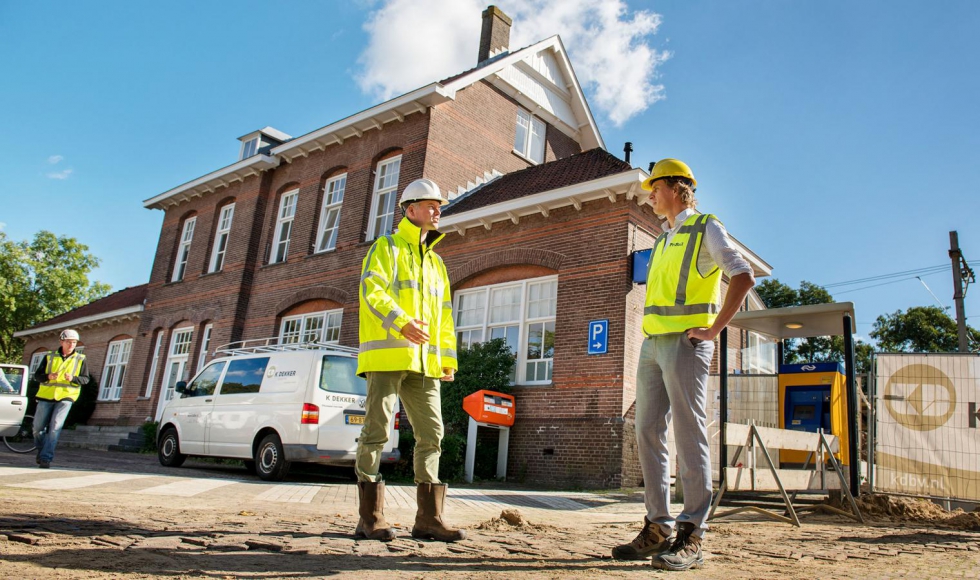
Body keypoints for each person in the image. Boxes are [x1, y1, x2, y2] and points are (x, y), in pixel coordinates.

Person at [613, 159, 755, 571]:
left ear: (675, 187)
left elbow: (743, 276)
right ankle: (658, 528)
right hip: (652, 344)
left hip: (687, 344)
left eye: (654, 188)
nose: (650, 195)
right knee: (647, 431)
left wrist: (713, 330)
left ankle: (692, 533)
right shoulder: (662, 238)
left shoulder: (705, 226)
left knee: (690, 433)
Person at [353, 178, 464, 543]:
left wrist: (448, 360)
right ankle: (370, 518)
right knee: (377, 433)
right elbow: (372, 290)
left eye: (439, 205)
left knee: (432, 434)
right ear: (410, 209)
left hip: (426, 364)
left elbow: (444, 318)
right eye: (431, 205)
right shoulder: (385, 247)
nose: (437, 211)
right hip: (387, 357)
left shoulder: (437, 264)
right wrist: (401, 323)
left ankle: (428, 519)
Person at [32, 329, 89, 468]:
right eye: (69, 342)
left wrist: (74, 379)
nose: (71, 345)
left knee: (55, 428)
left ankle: (46, 458)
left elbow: (85, 379)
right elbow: (37, 376)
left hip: (66, 397)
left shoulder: (80, 359)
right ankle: (41, 450)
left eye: (74, 342)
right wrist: (48, 376)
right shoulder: (49, 357)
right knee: (37, 429)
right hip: (46, 396)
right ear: (61, 341)